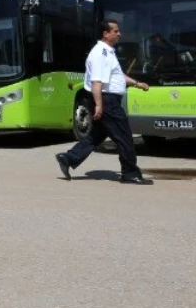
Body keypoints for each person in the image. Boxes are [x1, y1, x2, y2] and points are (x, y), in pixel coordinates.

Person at [55, 19, 153, 185]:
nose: (119, 33)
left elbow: (118, 76)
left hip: (108, 100)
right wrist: (99, 105)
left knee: (97, 135)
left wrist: (137, 83)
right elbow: (96, 83)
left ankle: (69, 158)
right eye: (115, 31)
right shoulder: (100, 53)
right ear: (105, 33)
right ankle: (130, 173)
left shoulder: (108, 52)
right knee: (124, 136)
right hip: (107, 101)